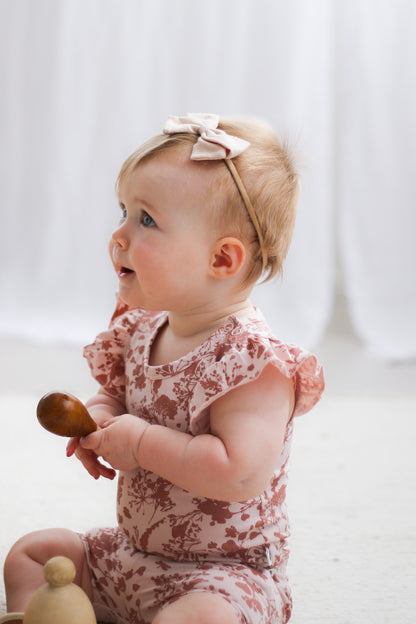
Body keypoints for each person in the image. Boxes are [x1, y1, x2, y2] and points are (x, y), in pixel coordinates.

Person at [4, 113, 324, 624]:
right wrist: (98, 417)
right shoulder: (142, 329)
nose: (119, 234)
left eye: (146, 219)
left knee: (204, 617)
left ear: (222, 260)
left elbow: (239, 474)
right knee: (34, 554)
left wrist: (137, 444)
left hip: (224, 575)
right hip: (135, 556)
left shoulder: (252, 364)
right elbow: (119, 397)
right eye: (123, 210)